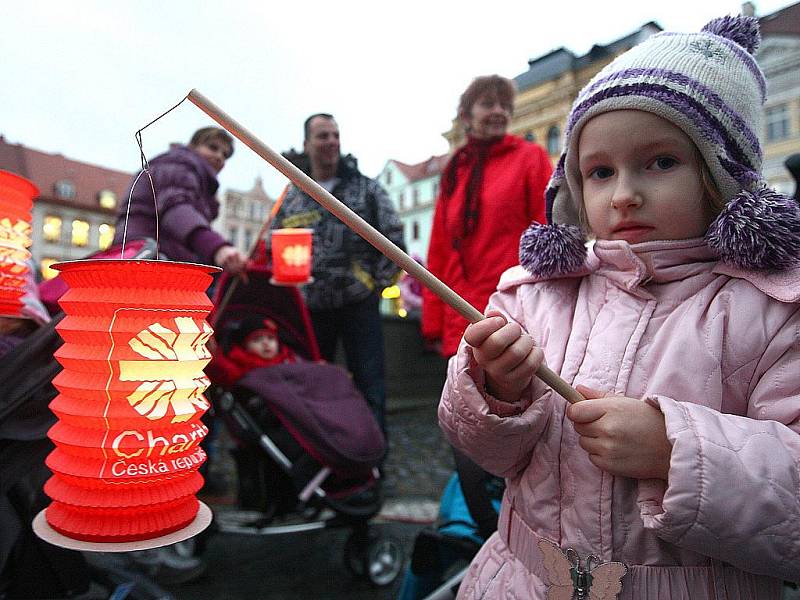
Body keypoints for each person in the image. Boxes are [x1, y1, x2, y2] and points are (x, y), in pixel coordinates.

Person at [439, 15, 800, 599]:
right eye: (600, 172)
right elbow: (483, 451)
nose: (624, 192)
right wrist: (495, 393)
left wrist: (676, 452)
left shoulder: (770, 309)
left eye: (660, 162)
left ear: (721, 173)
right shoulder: (535, 294)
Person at [273, 113, 404, 435]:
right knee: (312, 385)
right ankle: (322, 457)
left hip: (358, 303)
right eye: (322, 136)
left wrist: (374, 284)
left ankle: (373, 465)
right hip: (310, 308)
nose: (331, 142)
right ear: (306, 144)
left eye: (335, 135)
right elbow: (273, 243)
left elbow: (395, 238)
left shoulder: (366, 189)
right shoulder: (292, 194)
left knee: (369, 381)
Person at [422, 75, 552, 359]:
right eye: (488, 104)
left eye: (505, 106)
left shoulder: (531, 157)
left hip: (513, 310)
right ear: (466, 115)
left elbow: (547, 230)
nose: (499, 111)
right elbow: (439, 249)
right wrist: (433, 322)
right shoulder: (455, 170)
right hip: (459, 313)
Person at [112, 126, 247, 275]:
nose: (219, 156)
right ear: (193, 146)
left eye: (225, 154)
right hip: (146, 258)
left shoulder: (194, 177)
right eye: (212, 147)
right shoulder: (178, 165)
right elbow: (176, 210)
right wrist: (217, 247)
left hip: (147, 255)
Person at [207, 316, 297, 387]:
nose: (266, 343)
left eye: (271, 338)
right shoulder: (240, 365)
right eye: (257, 339)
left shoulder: (288, 359)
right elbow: (224, 370)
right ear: (245, 346)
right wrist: (215, 359)